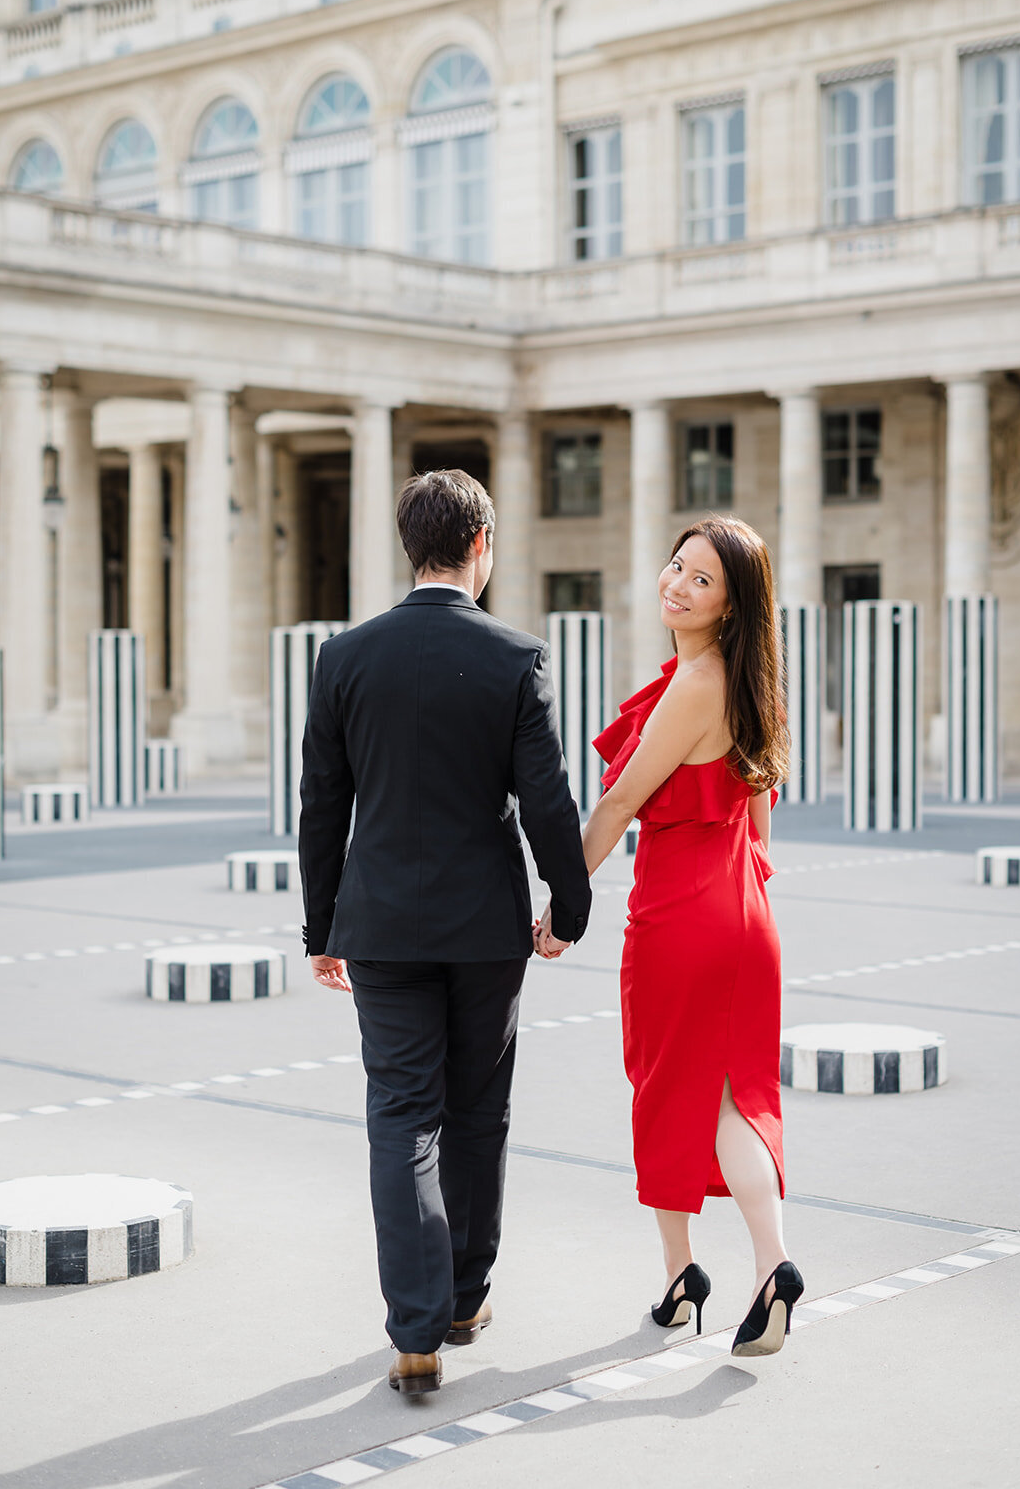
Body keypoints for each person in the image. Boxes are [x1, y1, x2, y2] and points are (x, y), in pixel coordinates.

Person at [299, 468, 591, 1396]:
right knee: (476, 1113)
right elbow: (545, 797)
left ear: (410, 545)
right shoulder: (514, 656)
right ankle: (465, 1299)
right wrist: (569, 904)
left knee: (401, 1121)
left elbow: (322, 806)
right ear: (481, 545)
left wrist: (321, 925)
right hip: (483, 930)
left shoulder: (344, 657)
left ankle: (416, 1333)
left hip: (379, 923)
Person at [535, 513, 802, 1357]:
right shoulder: (744, 680)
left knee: (676, 1091)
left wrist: (562, 904)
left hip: (683, 912)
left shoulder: (696, 685)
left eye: (700, 581)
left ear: (729, 606)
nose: (676, 586)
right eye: (676, 567)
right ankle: (690, 1278)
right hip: (741, 910)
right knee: (728, 1090)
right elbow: (759, 814)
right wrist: (745, 907)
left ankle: (762, 1267)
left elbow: (617, 804)